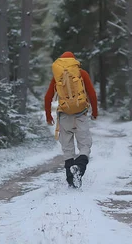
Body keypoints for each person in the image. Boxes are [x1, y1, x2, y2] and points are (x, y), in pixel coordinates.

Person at [44, 51, 98, 188]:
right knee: (85, 146)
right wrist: (95, 112)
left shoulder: (58, 76)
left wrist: (48, 116)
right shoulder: (81, 73)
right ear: (74, 61)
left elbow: (48, 97)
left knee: (67, 148)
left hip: (64, 116)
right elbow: (92, 93)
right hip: (81, 114)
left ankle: (71, 180)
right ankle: (79, 168)